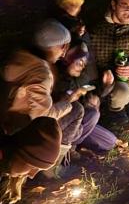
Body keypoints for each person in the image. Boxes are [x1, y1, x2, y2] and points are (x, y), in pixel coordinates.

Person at [0, 19, 87, 169]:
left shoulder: (20, 55)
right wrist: (68, 101)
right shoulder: (41, 74)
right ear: (59, 46)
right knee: (77, 110)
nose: (63, 54)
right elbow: (42, 119)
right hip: (20, 129)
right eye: (63, 47)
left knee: (79, 129)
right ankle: (53, 165)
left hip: (9, 119)